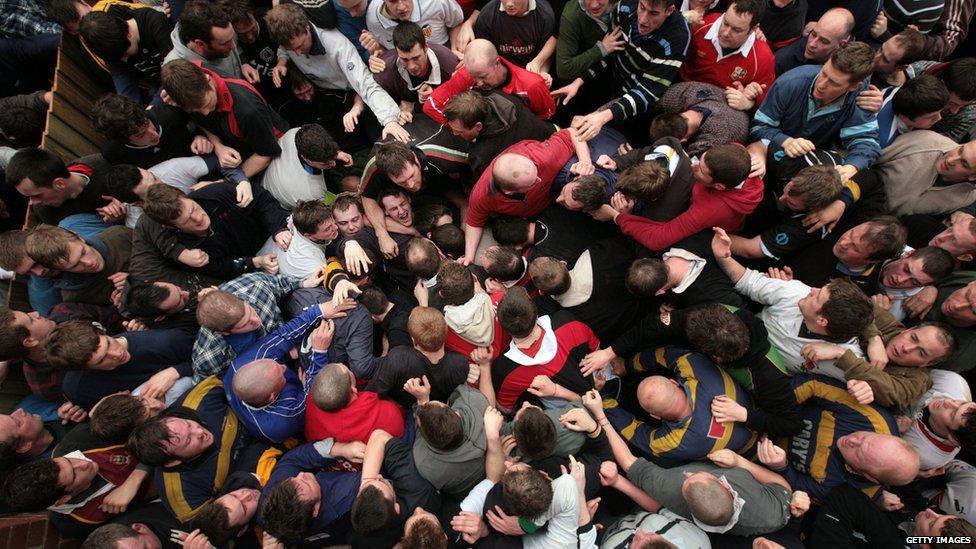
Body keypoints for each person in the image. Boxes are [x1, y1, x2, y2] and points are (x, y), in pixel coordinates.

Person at [589, 390, 805, 537]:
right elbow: (781, 485)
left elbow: (630, 464)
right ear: (726, 486)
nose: (688, 475)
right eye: (696, 475)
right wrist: (739, 461)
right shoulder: (775, 513)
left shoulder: (671, 486)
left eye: (688, 478)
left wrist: (600, 416)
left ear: (686, 507)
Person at [712, 227, 875, 381]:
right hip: (733, 337)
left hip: (759, 379)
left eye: (817, 296)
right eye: (820, 289)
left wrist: (840, 353)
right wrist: (723, 256)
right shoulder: (797, 292)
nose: (812, 289)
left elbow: (878, 387)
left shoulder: (847, 363)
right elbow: (749, 281)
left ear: (822, 320)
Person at [265, 3, 410, 143]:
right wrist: (282, 61)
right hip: (326, 95)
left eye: (300, 45)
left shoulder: (336, 45)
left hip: (356, 89)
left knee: (376, 134)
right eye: (292, 49)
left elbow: (365, 83)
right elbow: (283, 48)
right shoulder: (290, 44)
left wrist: (390, 119)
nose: (297, 53)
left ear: (307, 27)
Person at [550, 0, 691, 142]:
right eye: (642, 7)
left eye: (653, 13)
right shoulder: (624, 7)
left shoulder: (677, 37)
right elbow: (611, 54)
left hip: (637, 107)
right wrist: (578, 82)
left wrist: (603, 115)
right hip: (610, 83)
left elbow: (648, 91)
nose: (642, 19)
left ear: (670, 10)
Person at [766, 374, 918, 502]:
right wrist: (769, 411)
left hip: (762, 452)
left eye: (859, 452)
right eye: (864, 436)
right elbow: (814, 384)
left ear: (870, 477)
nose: (852, 440)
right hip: (773, 405)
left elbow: (793, 488)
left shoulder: (848, 494)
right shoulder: (876, 420)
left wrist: (780, 466)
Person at [594, 143, 763, 252]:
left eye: (701, 170)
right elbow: (757, 146)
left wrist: (617, 216)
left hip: (708, 234)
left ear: (719, 186)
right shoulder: (737, 156)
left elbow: (657, 239)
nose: (693, 165)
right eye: (701, 160)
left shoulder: (709, 209)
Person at [126, 377, 250, 522]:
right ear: (173, 462)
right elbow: (215, 526)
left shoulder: (199, 398)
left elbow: (237, 376)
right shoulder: (183, 496)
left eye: (189, 425)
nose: (200, 432)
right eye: (189, 440)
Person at [462, 128, 593, 264]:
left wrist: (585, 162)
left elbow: (573, 133)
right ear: (509, 192)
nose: (539, 180)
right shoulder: (482, 196)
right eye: (532, 183)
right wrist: (469, 257)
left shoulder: (543, 157)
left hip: (560, 195)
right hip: (541, 213)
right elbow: (474, 222)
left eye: (536, 173)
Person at [753, 42, 881, 179]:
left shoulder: (862, 98)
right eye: (824, 73)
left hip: (813, 162)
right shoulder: (790, 83)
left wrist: (851, 167)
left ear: (854, 86)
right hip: (771, 151)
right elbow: (759, 127)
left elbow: (866, 142)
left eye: (834, 83)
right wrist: (786, 141)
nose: (822, 84)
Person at [226, 302, 347, 443]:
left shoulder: (242, 363)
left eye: (277, 362)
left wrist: (318, 311)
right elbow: (315, 396)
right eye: (280, 373)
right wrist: (319, 351)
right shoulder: (282, 421)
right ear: (272, 396)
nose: (284, 367)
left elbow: (283, 335)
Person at [0, 431, 150, 540]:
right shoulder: (77, 524)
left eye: (69, 461)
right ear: (63, 499)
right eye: (74, 474)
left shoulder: (78, 440)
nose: (83, 464)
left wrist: (135, 479)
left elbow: (153, 431)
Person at [801, 306, 957, 409]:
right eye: (913, 338)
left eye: (921, 353)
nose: (907, 348)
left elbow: (894, 393)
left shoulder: (918, 379)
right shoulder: (888, 323)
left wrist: (841, 354)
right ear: (909, 329)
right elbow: (855, 303)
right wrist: (874, 338)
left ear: (929, 363)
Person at [159, 58, 288, 179]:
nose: (205, 113)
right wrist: (218, 146)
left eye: (208, 104)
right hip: (235, 143)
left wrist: (233, 180)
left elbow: (267, 154)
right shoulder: (187, 77)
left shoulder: (247, 110)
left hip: (275, 150)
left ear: (208, 79)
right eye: (196, 111)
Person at [191, 272, 331, 380]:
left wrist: (304, 282)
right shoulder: (208, 358)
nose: (255, 320)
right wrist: (285, 356)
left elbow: (280, 283)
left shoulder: (255, 285)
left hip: (290, 337)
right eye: (246, 324)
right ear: (224, 332)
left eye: (250, 311)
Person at [139, 182, 288, 281]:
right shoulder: (185, 251)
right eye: (187, 220)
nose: (198, 218)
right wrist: (254, 262)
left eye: (194, 208)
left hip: (273, 234)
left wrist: (278, 228)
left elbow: (261, 200)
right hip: (253, 268)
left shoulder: (215, 194)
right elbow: (219, 268)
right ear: (171, 227)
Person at [490, 287, 599, 411]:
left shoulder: (504, 369)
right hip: (597, 392)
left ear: (499, 323)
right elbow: (597, 350)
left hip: (561, 414)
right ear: (536, 314)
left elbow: (506, 408)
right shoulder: (567, 323)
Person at [43, 319, 195, 408]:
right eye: (102, 359)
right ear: (85, 369)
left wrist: (176, 371)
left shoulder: (166, 341)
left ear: (101, 331)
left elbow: (212, 358)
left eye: (109, 343)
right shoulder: (79, 390)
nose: (117, 354)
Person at [528, 238, 654, 341]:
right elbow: (629, 240)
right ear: (563, 264)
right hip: (654, 281)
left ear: (542, 292)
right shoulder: (598, 254)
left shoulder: (579, 323)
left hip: (649, 322)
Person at [259, 439, 366, 544]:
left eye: (294, 478)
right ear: (315, 509)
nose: (301, 474)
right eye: (306, 484)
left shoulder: (273, 497)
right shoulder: (345, 497)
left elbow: (292, 459)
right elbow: (371, 478)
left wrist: (339, 449)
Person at [425, 39, 556, 124]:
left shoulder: (532, 85)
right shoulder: (466, 75)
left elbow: (547, 115)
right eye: (474, 77)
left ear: (496, 64)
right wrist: (462, 129)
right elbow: (431, 105)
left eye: (483, 76)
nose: (479, 83)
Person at [366, 306, 471, 408]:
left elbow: (370, 395)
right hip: (434, 413)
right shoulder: (460, 364)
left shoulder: (398, 359)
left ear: (413, 340)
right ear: (446, 331)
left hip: (408, 411)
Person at [350, 429, 443, 544]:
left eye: (365, 487)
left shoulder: (366, 538)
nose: (378, 476)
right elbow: (379, 436)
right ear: (396, 508)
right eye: (383, 482)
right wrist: (367, 481)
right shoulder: (416, 489)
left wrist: (366, 481)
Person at [679, 0, 776, 109]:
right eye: (725, 23)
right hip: (683, 89)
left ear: (753, 29)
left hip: (724, 107)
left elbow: (769, 99)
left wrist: (750, 102)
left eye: (736, 30)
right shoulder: (701, 25)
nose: (725, 33)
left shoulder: (763, 57)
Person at [443, 90, 555, 180]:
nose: (454, 133)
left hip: (546, 169)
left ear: (478, 126)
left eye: (460, 131)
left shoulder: (482, 156)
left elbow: (480, 183)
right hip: (552, 133)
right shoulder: (500, 96)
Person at [408, 381, 490, 496]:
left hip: (459, 495)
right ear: (457, 413)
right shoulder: (474, 400)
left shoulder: (424, 464)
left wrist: (422, 401)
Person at [4, 147, 116, 227]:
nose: (33, 202)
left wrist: (124, 201)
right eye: (28, 197)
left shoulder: (103, 167)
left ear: (60, 184)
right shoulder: (47, 213)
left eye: (37, 195)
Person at [78, 8, 173, 102]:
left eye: (125, 54)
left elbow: (176, 69)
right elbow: (127, 93)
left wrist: (154, 109)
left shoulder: (154, 23)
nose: (124, 60)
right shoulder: (111, 50)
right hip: (156, 85)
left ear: (128, 34)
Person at [25, 224, 132, 307]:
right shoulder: (75, 296)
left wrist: (136, 278)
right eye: (75, 265)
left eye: (83, 252)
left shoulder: (119, 236)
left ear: (78, 237)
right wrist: (123, 304)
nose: (89, 262)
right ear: (57, 269)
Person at [874, 132, 976, 216]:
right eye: (960, 150)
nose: (950, 160)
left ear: (973, 176)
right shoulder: (926, 141)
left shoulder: (965, 198)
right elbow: (869, 160)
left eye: (964, 163)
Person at [91, 93, 202, 169]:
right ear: (123, 140)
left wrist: (199, 136)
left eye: (147, 124)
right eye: (140, 135)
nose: (153, 134)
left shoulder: (168, 114)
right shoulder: (114, 153)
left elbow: (202, 123)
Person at [304, 361, 406, 443]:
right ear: (353, 389)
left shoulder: (310, 402)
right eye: (348, 370)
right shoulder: (388, 415)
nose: (341, 363)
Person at [262, 123, 353, 209]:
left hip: (268, 179)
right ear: (306, 159)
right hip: (275, 203)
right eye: (325, 163)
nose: (334, 164)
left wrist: (337, 153)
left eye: (333, 157)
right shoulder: (313, 194)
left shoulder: (294, 134)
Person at [655, 81, 751, 159]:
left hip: (738, 126)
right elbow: (655, 101)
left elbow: (690, 163)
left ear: (683, 141)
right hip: (724, 104)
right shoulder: (684, 93)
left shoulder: (715, 138)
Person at [373, 21, 459, 107]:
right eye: (404, 59)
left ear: (425, 47)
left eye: (416, 58)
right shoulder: (385, 71)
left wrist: (436, 96)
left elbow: (459, 101)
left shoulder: (449, 64)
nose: (412, 67)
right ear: (396, 51)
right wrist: (398, 111)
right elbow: (380, 103)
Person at [163, 0, 249, 80]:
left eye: (232, 37)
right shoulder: (176, 71)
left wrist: (243, 63)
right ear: (200, 44)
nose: (233, 46)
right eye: (225, 43)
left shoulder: (225, 32)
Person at [473, 0, 557, 69]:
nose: (509, 4)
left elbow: (547, 58)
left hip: (529, 71)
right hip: (498, 70)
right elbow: (482, 54)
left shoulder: (544, 15)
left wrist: (541, 74)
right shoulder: (488, 13)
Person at [773, 7, 853, 75]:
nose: (812, 44)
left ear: (841, 44)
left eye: (823, 41)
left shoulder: (852, 62)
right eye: (813, 34)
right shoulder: (783, 60)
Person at [877, 74, 949, 148]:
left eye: (940, 111)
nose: (939, 118)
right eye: (930, 117)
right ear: (904, 117)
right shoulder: (883, 141)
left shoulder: (903, 91)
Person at [363, 0, 464, 51]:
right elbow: (383, 50)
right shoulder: (373, 18)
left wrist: (454, 49)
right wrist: (377, 49)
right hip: (404, 67)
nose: (401, 7)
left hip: (442, 53)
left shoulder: (436, 2)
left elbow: (457, 23)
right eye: (393, 0)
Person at [553, 0, 616, 81]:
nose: (594, 5)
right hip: (594, 78)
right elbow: (563, 69)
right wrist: (601, 49)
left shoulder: (630, 5)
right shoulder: (572, 15)